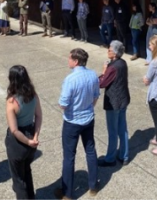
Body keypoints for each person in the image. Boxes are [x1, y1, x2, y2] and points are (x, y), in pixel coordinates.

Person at [56, 48, 100, 200]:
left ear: (75, 61)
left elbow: (63, 103)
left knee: (69, 157)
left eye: (69, 58)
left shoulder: (70, 79)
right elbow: (96, 96)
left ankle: (67, 194)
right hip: (88, 118)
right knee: (90, 150)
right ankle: (93, 186)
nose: (68, 61)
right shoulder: (93, 75)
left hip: (72, 122)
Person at [5, 65, 43, 200]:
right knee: (27, 170)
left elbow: (14, 130)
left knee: (18, 179)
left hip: (18, 143)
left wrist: (27, 141)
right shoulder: (34, 95)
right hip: (31, 134)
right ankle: (31, 197)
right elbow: (38, 116)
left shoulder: (12, 101)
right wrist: (35, 137)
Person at [98, 40, 131, 167]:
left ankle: (110, 158)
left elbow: (102, 83)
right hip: (123, 99)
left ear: (116, 53)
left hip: (113, 102)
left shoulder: (112, 67)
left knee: (113, 131)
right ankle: (124, 155)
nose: (108, 51)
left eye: (110, 50)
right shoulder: (123, 63)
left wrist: (103, 71)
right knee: (123, 129)